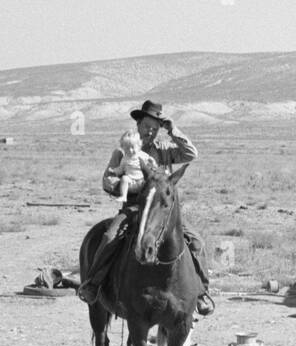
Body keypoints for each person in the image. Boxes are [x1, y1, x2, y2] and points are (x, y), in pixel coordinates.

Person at [78, 100, 215, 314]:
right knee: (109, 237)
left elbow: (191, 154)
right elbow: (108, 181)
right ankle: (93, 284)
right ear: (138, 125)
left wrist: (173, 130)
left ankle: (200, 292)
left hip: (162, 213)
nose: (150, 131)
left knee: (197, 241)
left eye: (155, 127)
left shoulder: (164, 149)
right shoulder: (123, 151)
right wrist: (137, 187)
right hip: (133, 209)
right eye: (146, 126)